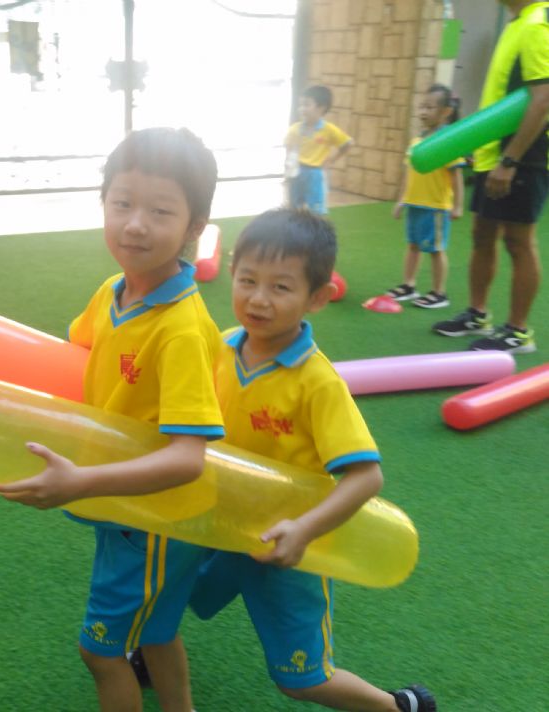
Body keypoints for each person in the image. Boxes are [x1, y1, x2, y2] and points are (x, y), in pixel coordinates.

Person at [133, 209, 437, 712]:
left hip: (284, 546)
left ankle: (399, 706)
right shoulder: (218, 347)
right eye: (248, 280)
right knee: (155, 592)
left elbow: (366, 477)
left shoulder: (316, 383)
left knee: (301, 679)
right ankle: (150, 649)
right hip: (213, 523)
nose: (258, 298)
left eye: (280, 287)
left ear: (317, 297)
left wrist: (303, 531)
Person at [0, 127, 225, 712]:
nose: (136, 225)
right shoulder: (112, 293)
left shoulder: (179, 329)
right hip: (128, 510)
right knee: (155, 632)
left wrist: (81, 481)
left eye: (161, 211)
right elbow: (71, 359)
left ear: (195, 226)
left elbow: (187, 458)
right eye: (122, 203)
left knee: (100, 652)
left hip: (155, 519)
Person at [432, 0, 549, 353]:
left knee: (518, 241)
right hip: (494, 155)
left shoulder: (538, 23)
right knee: (483, 234)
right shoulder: (517, 23)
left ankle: (518, 332)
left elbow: (543, 99)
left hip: (524, 158)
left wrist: (510, 161)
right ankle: (477, 314)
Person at [386, 85, 465, 309]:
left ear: (445, 112)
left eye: (430, 107)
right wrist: (401, 200)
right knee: (413, 245)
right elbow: (408, 174)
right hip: (415, 204)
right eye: (422, 106)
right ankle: (409, 285)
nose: (423, 111)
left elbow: (456, 175)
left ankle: (439, 293)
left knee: (436, 250)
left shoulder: (446, 140)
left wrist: (458, 205)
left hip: (435, 206)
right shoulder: (416, 141)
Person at [284, 86, 354, 215]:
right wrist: (289, 171)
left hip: (315, 174)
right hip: (297, 172)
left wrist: (332, 160)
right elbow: (289, 150)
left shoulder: (328, 129)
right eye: (300, 105)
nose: (302, 109)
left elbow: (348, 143)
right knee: (294, 208)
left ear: (321, 108)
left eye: (307, 104)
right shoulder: (294, 129)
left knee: (316, 210)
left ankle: (317, 227)